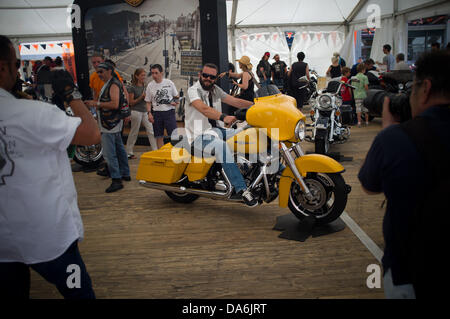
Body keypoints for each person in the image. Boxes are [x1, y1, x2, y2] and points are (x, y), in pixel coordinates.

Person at [0, 35, 99, 299]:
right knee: (80, 292)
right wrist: (71, 92)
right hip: (48, 236)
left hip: (4, 242)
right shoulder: (32, 113)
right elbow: (90, 134)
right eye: (15, 63)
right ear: (3, 67)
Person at [358, 50, 450, 299]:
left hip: (412, 273)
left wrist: (387, 131)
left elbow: (369, 184)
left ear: (426, 88)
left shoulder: (397, 138)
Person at [184, 63, 257, 206]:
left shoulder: (215, 90)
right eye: (205, 75)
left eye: (212, 77)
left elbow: (235, 101)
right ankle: (241, 189)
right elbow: (204, 109)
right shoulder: (193, 91)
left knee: (247, 134)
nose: (208, 79)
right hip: (198, 137)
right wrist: (224, 117)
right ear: (200, 75)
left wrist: (258, 105)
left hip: (217, 131)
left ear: (215, 78)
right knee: (221, 147)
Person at [84, 62, 130, 193]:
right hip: (112, 123)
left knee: (110, 154)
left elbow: (115, 104)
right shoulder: (111, 83)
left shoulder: (113, 84)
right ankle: (125, 173)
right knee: (120, 149)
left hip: (110, 124)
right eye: (97, 72)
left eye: (101, 72)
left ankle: (116, 179)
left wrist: (96, 103)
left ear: (109, 71)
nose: (99, 74)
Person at [145, 64, 179, 149]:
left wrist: (173, 102)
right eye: (152, 73)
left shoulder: (169, 83)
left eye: (156, 73)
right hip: (157, 113)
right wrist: (149, 113)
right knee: (158, 136)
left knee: (173, 135)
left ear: (161, 73)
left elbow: (177, 97)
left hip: (169, 113)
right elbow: (148, 101)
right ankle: (161, 154)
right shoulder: (150, 85)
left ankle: (175, 153)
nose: (154, 75)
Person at [125, 68, 157, 158]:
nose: (144, 77)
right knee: (134, 132)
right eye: (142, 75)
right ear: (136, 76)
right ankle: (129, 152)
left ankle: (155, 150)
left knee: (151, 131)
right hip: (136, 112)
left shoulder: (145, 86)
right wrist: (141, 97)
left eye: (144, 75)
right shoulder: (132, 87)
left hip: (145, 112)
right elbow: (131, 103)